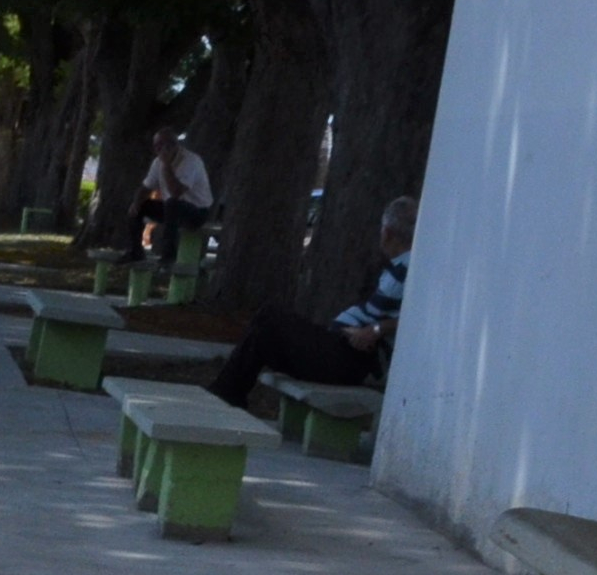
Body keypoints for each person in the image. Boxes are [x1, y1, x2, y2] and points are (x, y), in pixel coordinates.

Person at [208, 194, 412, 409]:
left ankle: (226, 395)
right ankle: (227, 394)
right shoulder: (401, 267)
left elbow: (414, 318)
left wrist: (377, 329)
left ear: (387, 233)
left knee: (269, 320)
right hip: (344, 347)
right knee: (264, 331)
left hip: (352, 360)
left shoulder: (408, 269)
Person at [137, 129, 212, 268]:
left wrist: (166, 166)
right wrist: (136, 204)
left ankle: (168, 256)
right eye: (156, 146)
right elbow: (146, 187)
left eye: (163, 145)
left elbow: (176, 192)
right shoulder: (157, 162)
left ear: (174, 145)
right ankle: (135, 250)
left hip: (197, 211)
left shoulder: (190, 161)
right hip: (172, 209)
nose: (159, 150)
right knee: (141, 205)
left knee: (172, 203)